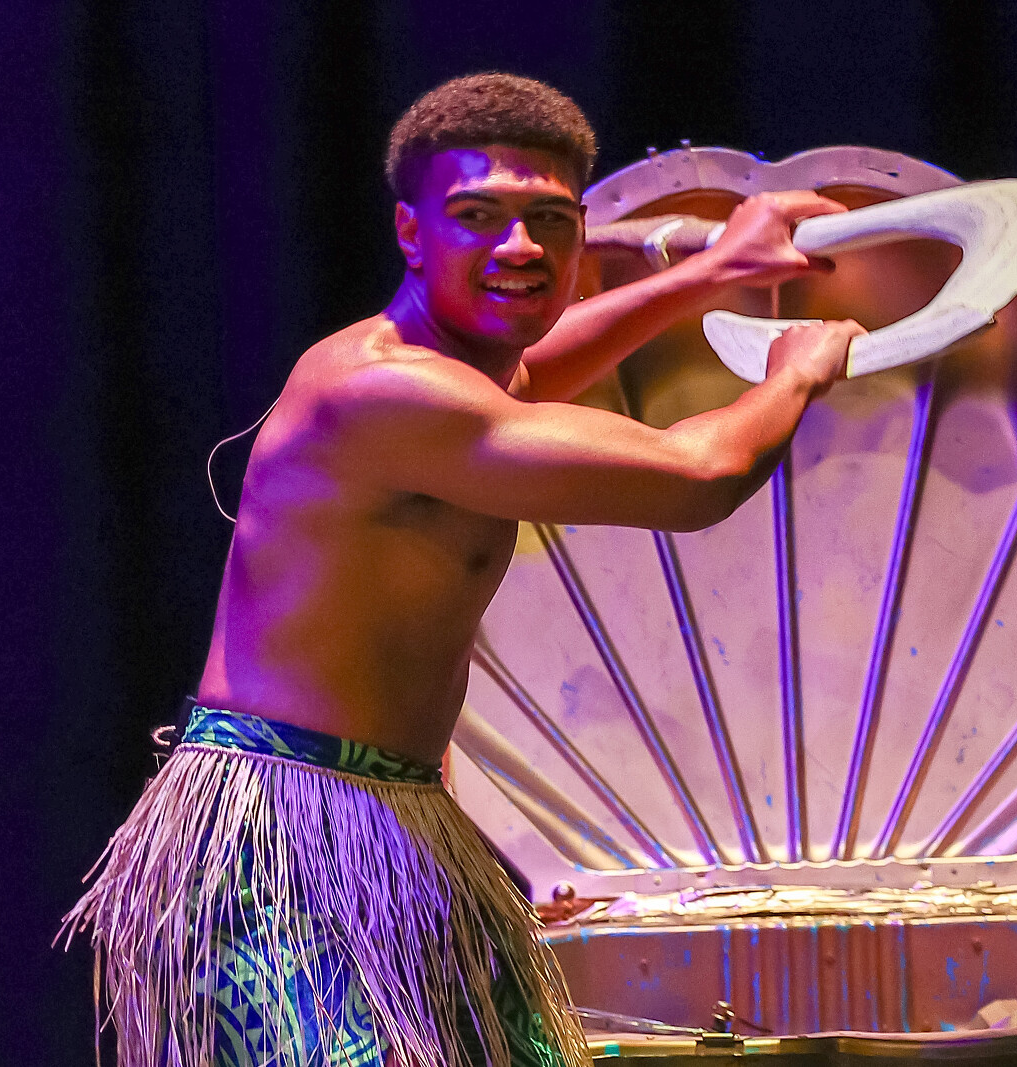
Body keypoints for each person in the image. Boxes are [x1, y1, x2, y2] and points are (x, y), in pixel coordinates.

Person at [62, 73, 862, 1067]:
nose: (520, 246)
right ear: (411, 231)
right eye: (478, 216)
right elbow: (702, 475)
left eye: (549, 220)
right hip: (284, 846)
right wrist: (797, 371)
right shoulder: (382, 389)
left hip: (395, 819)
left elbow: (532, 372)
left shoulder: (465, 376)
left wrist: (709, 274)